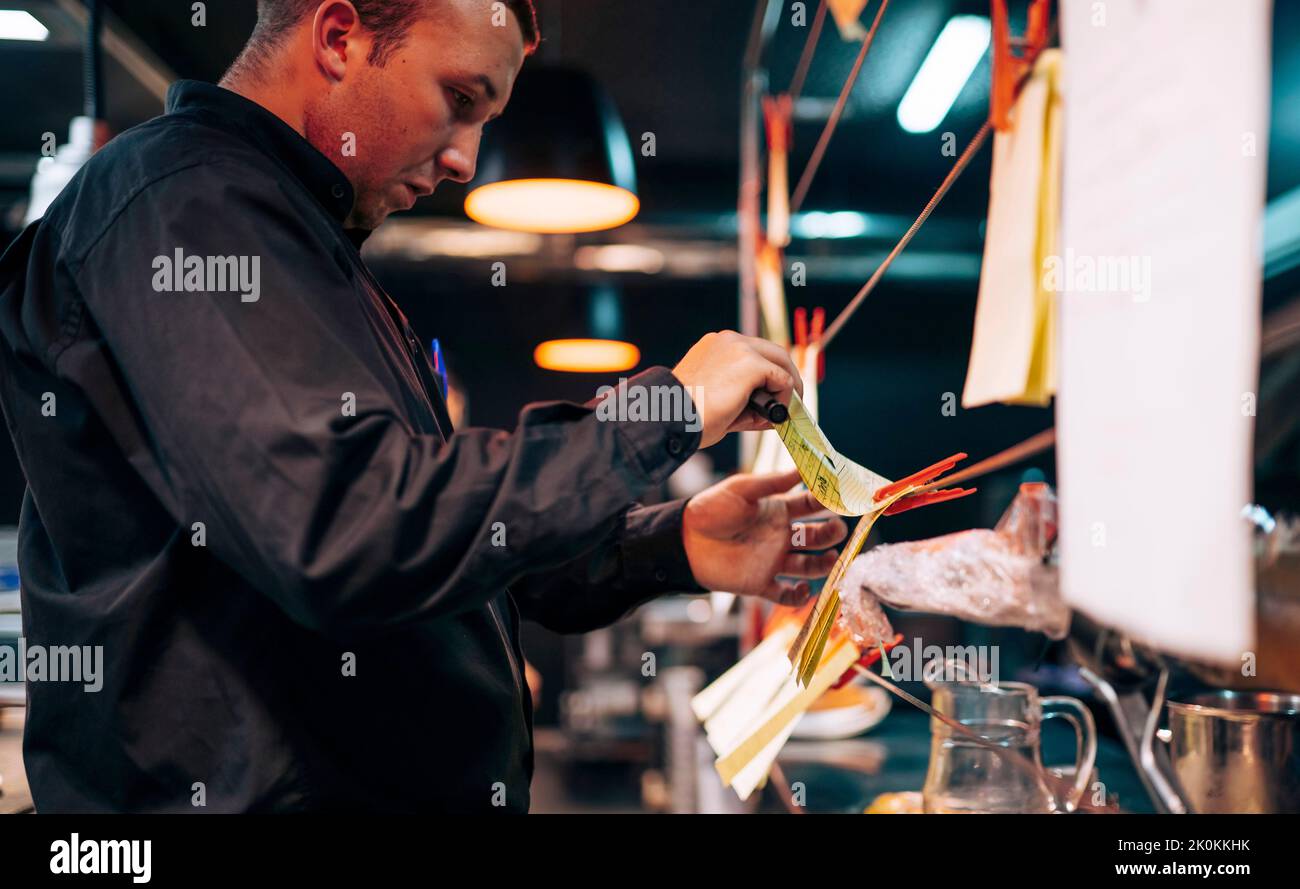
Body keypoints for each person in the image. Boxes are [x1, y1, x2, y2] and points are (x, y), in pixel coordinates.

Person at [0, 0, 846, 812]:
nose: (465, 162)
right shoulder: (181, 203)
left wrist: (673, 543)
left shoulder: (307, 248)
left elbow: (436, 535)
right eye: (460, 99)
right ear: (338, 37)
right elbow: (343, 527)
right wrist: (665, 412)